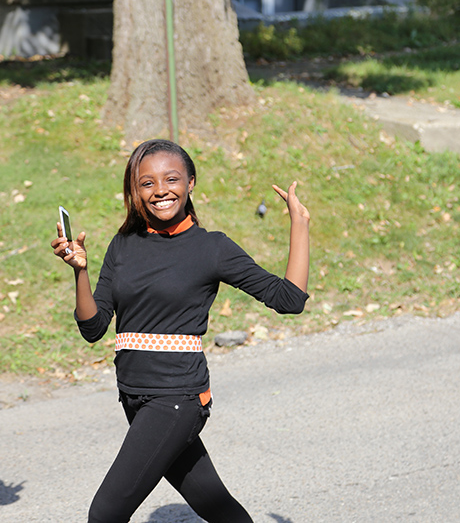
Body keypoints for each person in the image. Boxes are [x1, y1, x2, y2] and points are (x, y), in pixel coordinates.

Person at [51, 139, 310, 522]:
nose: (160, 191)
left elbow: (289, 298)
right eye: (146, 183)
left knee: (105, 512)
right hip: (134, 395)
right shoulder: (123, 246)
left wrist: (300, 226)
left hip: (176, 397)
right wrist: (81, 272)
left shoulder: (212, 248)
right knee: (216, 506)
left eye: (171, 179)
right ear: (134, 191)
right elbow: (93, 327)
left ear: (190, 183)